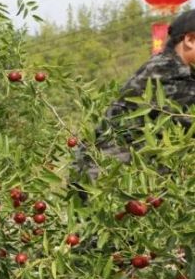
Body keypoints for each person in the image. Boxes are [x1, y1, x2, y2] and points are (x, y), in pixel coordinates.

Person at [76, 9, 195, 181]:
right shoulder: (167, 71)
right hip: (106, 176)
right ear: (189, 40)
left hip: (123, 173)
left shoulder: (174, 67)